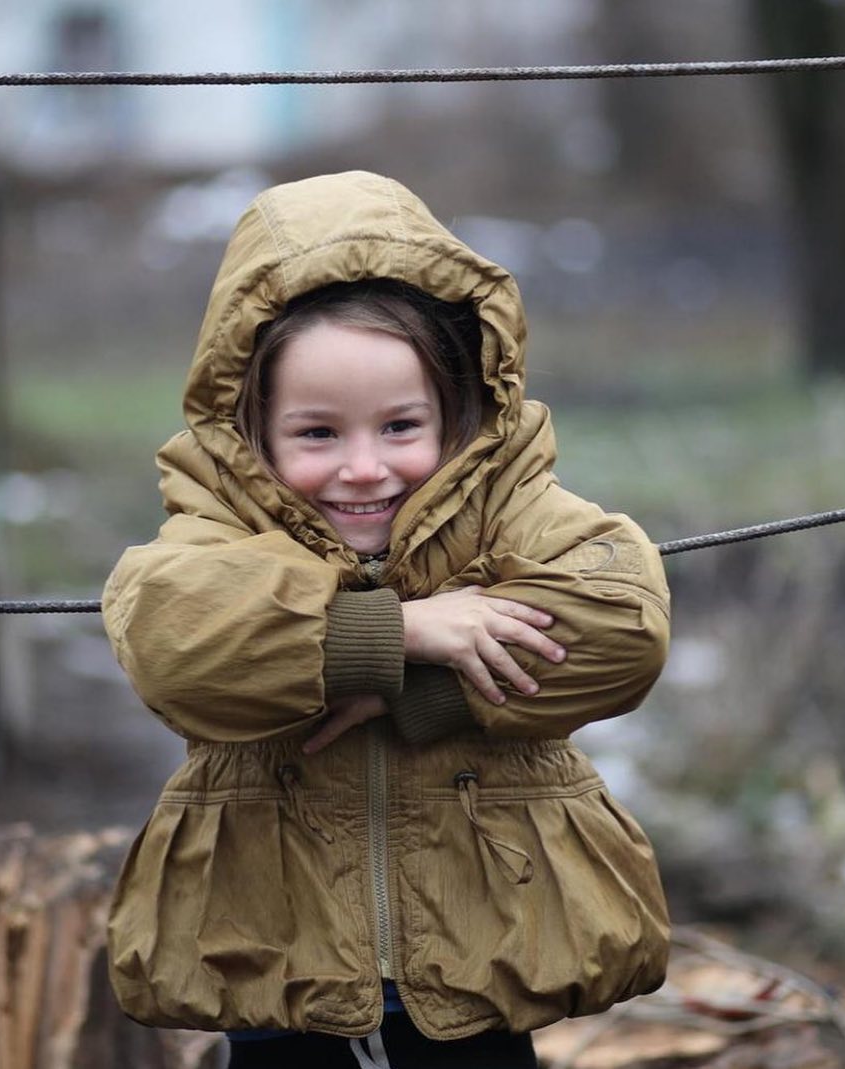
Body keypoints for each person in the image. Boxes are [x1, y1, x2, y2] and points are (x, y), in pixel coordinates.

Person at [102, 170, 671, 1068]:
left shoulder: (508, 505)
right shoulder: (222, 521)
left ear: (458, 411)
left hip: (486, 956)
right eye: (318, 433)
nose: (364, 468)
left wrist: (418, 690)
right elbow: (174, 638)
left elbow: (621, 624)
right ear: (251, 427)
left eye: (400, 426)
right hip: (276, 964)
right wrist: (398, 634)